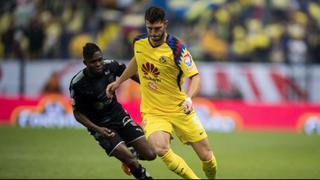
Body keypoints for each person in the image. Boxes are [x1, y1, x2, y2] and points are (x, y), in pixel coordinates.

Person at [107, 6, 217, 179]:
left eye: (157, 28)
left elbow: (195, 77)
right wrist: (119, 81)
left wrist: (189, 98)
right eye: (149, 28)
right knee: (160, 149)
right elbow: (136, 61)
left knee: (207, 157)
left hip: (180, 108)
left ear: (165, 24)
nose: (153, 33)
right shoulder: (139, 42)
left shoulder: (177, 48)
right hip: (154, 111)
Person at [69, 42, 156, 179]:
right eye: (93, 62)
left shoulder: (111, 65)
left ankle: (127, 156)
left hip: (119, 117)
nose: (98, 64)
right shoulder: (78, 83)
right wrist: (98, 129)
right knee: (132, 161)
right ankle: (135, 167)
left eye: (100, 59)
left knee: (151, 154)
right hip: (101, 127)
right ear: (85, 62)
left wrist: (146, 85)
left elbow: (129, 73)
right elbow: (77, 114)